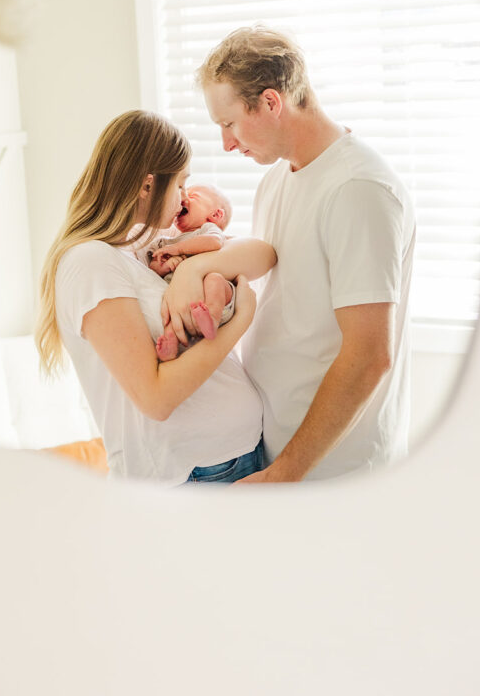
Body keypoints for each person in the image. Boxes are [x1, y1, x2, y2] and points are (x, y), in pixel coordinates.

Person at [161, 25, 416, 483]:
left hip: (332, 469)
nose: (226, 143)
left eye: (230, 123)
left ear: (271, 102)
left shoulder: (358, 189)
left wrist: (286, 472)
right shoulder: (277, 180)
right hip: (275, 449)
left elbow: (369, 355)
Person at [35, 110, 277, 486]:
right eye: (180, 183)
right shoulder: (91, 262)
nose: (183, 197)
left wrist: (193, 272)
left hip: (231, 458)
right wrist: (239, 323)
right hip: (193, 473)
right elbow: (155, 398)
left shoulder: (142, 245)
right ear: (148, 186)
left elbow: (263, 253)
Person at [139, 183, 236, 360]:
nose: (184, 198)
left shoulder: (208, 230)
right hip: (182, 302)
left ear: (215, 215)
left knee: (215, 279)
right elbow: (153, 268)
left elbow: (214, 243)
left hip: (212, 297)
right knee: (168, 308)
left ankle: (211, 320)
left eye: (193, 195)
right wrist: (167, 265)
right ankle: (170, 343)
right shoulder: (164, 242)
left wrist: (178, 249)